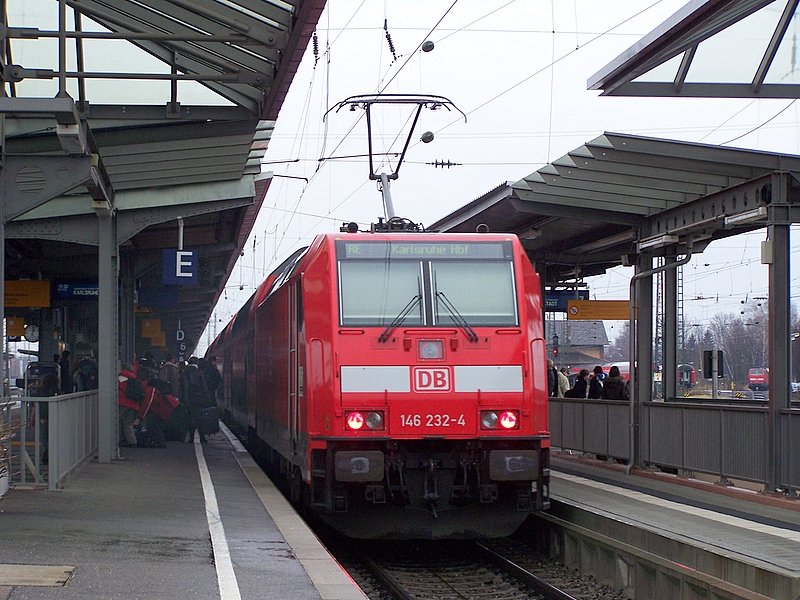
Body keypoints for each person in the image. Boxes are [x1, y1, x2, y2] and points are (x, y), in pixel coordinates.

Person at [179, 356, 210, 443]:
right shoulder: (200, 373)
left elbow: (183, 388)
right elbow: (204, 387)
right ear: (197, 363)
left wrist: (184, 400)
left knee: (189, 418)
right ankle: (202, 438)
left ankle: (191, 438)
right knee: (200, 418)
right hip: (199, 399)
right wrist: (207, 398)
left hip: (189, 399)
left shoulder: (184, 373)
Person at [118, 364, 143, 447]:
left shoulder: (121, 377)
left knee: (116, 421)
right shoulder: (134, 378)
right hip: (134, 404)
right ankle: (132, 442)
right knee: (128, 423)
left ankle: (116, 440)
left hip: (123, 402)